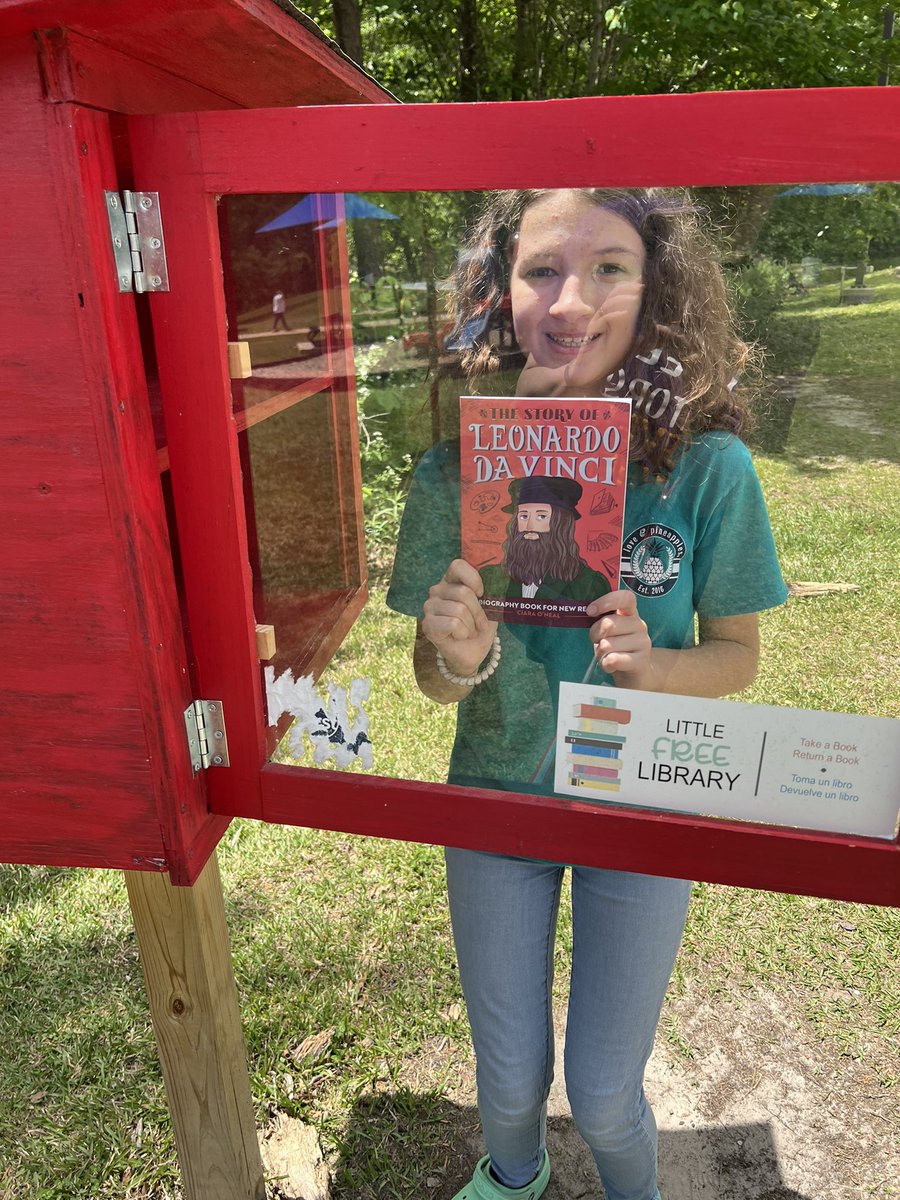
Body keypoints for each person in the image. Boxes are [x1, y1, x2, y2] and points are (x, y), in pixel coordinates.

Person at [386, 188, 788, 1200]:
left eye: (610, 266)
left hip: (642, 800)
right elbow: (434, 684)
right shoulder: (452, 470)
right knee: (510, 1081)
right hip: (495, 797)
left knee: (606, 1091)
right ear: (497, 291)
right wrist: (460, 656)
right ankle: (511, 1177)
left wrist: (654, 666)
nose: (571, 301)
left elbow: (735, 656)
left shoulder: (711, 471)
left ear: (658, 293)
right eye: (539, 270)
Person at [478, 475, 611, 618]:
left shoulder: (590, 585)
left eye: (541, 517)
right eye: (523, 516)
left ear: (560, 524)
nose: (529, 526)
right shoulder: (489, 577)